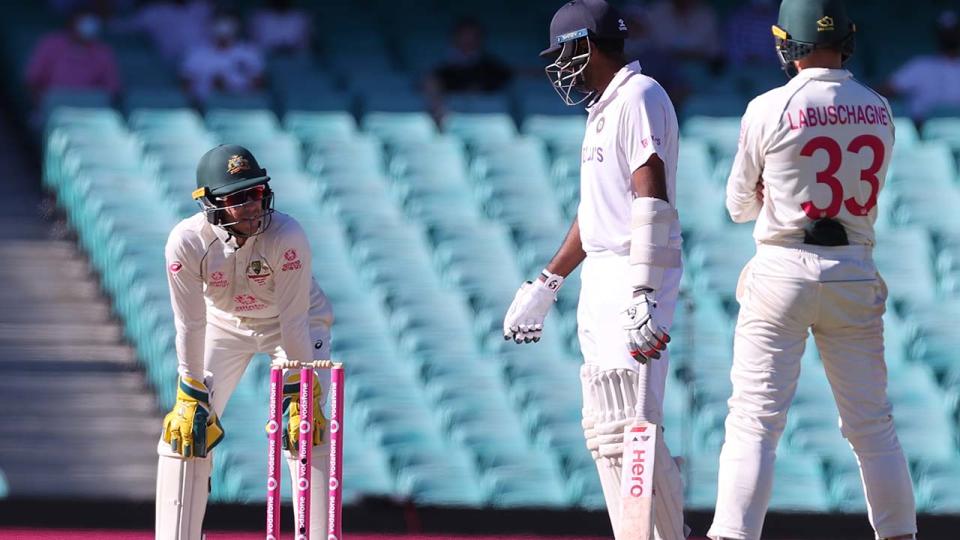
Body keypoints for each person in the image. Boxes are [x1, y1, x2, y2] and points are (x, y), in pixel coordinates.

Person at [706, 1, 917, 539]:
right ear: (845, 39)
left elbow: (738, 205)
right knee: (873, 428)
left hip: (782, 265)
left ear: (788, 43)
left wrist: (771, 193)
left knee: (754, 422)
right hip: (853, 267)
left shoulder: (769, 107)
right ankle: (900, 534)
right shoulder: (879, 107)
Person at [502, 1, 686, 538]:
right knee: (605, 429)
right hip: (604, 275)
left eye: (565, 52)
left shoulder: (640, 95)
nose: (561, 65)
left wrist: (644, 289)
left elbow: (649, 195)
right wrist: (546, 283)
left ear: (586, 44)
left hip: (635, 271)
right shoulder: (605, 108)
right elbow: (594, 212)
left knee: (635, 429)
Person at [155, 144, 334, 539]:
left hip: (292, 323)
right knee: (185, 431)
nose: (253, 206)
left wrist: (300, 395)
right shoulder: (186, 242)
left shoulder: (287, 235)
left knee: (305, 428)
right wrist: (190, 393)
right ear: (211, 202)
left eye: (256, 193)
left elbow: (294, 320)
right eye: (239, 198)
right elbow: (189, 323)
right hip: (223, 324)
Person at [24, 6, 121, 105]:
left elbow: (112, 89)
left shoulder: (103, 52)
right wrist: (41, 105)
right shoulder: (49, 44)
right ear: (71, 22)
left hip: (90, 109)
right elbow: (32, 81)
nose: (89, 25)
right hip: (52, 107)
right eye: (84, 20)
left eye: (92, 21)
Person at [885, 9, 960, 124]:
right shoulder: (920, 65)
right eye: (945, 32)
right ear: (937, 34)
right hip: (926, 132)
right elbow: (887, 89)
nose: (949, 36)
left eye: (953, 31)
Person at [180, 11, 265, 103]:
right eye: (219, 22)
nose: (223, 26)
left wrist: (230, 88)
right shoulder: (196, 52)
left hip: (242, 103)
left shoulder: (250, 51)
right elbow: (186, 84)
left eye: (227, 22)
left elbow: (259, 83)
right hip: (206, 104)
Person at [430, 17, 513, 94]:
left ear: (480, 38)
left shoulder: (492, 66)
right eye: (464, 35)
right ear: (454, 37)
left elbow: (502, 81)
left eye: (472, 36)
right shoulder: (442, 68)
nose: (468, 40)